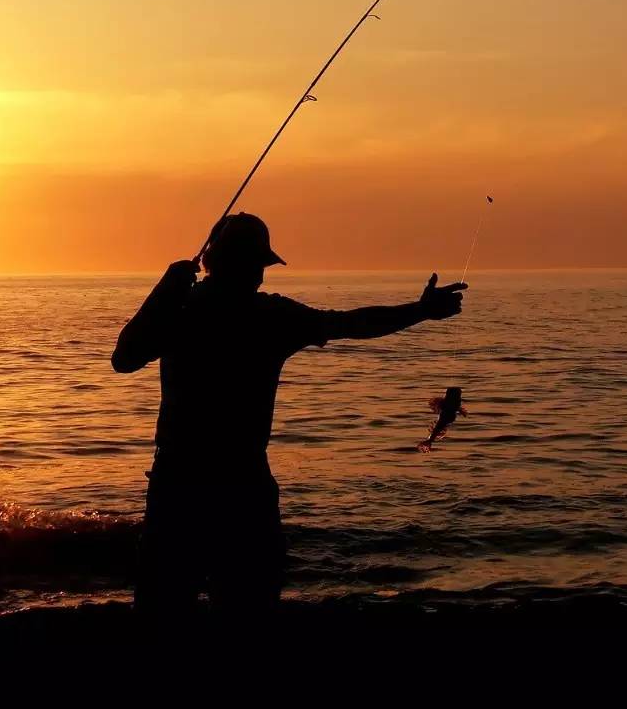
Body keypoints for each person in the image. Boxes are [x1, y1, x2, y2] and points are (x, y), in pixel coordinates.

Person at [111, 212, 467, 625]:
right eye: (256, 265)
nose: (259, 276)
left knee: (168, 610)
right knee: (243, 610)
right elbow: (352, 323)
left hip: (183, 483)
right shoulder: (261, 316)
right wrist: (421, 311)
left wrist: (163, 293)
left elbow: (125, 358)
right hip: (236, 485)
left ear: (208, 259)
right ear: (231, 263)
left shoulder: (184, 310)